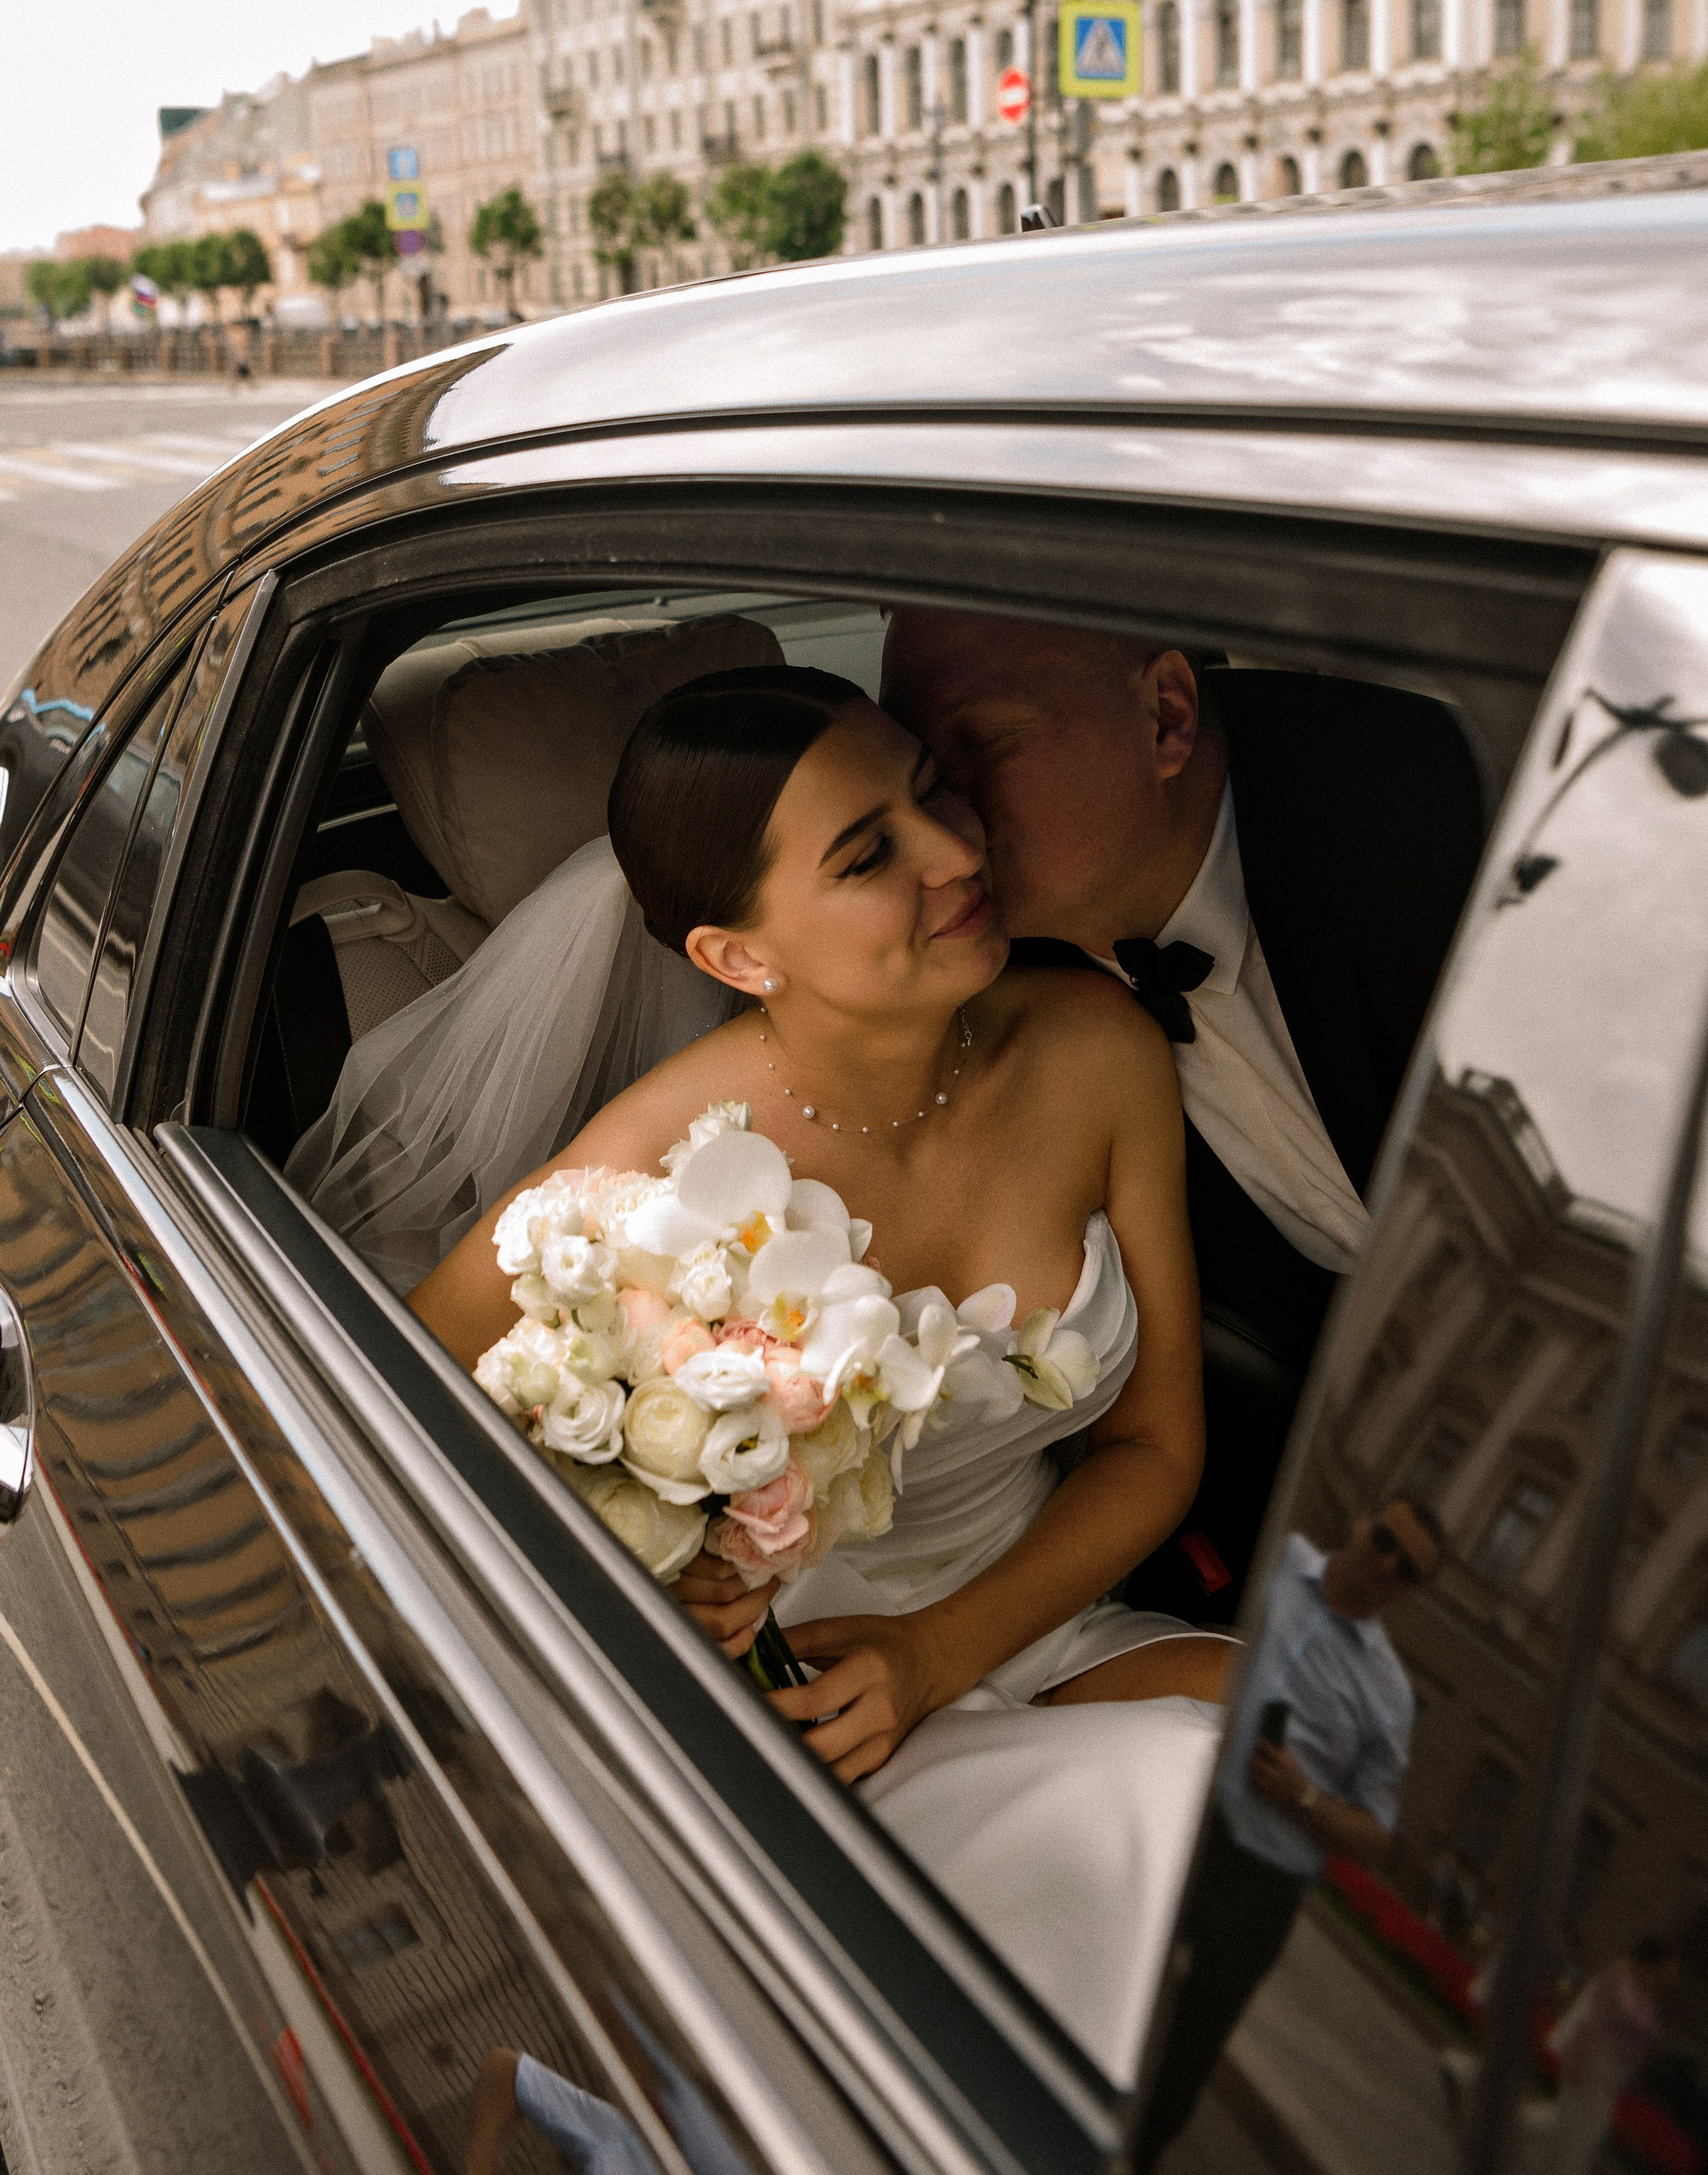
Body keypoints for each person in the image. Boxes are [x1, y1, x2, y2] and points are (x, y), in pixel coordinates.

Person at [408, 664, 1233, 2079]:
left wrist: (936, 1654)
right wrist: (660, 1579)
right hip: (798, 1719)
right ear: (738, 957)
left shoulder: (1099, 1049)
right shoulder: (637, 1187)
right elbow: (390, 1440)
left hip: (1023, 1616)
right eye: (872, 855)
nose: (961, 854)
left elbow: (1158, 1450)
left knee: (1323, 1806)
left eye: (932, 794)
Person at [879, 615, 1486, 1617]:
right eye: (922, 774)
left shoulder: (1431, 822)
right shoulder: (980, 975)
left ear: (1167, 715)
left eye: (982, 747)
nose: (947, 831)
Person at [1132, 1497, 1442, 2165]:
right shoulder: (1273, 1558)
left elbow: (1375, 1837)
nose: (1386, 1564)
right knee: (1114, 1954)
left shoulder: (1388, 1698)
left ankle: (1135, 2153)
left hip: (1259, 1879)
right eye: (1385, 1538)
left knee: (1190, 2047)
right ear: (1359, 1523)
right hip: (1182, 1801)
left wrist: (1304, 1796)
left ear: (1414, 1591)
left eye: (1408, 1569)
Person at [1542, 1939, 1680, 2175]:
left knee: (1588, 2133)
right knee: (1574, 2131)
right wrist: (1581, 2054)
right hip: (1593, 2059)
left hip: (1612, 2075)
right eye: (1671, 1965)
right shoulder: (1620, 1978)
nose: (1674, 1973)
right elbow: (1592, 2017)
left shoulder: (1647, 1992)